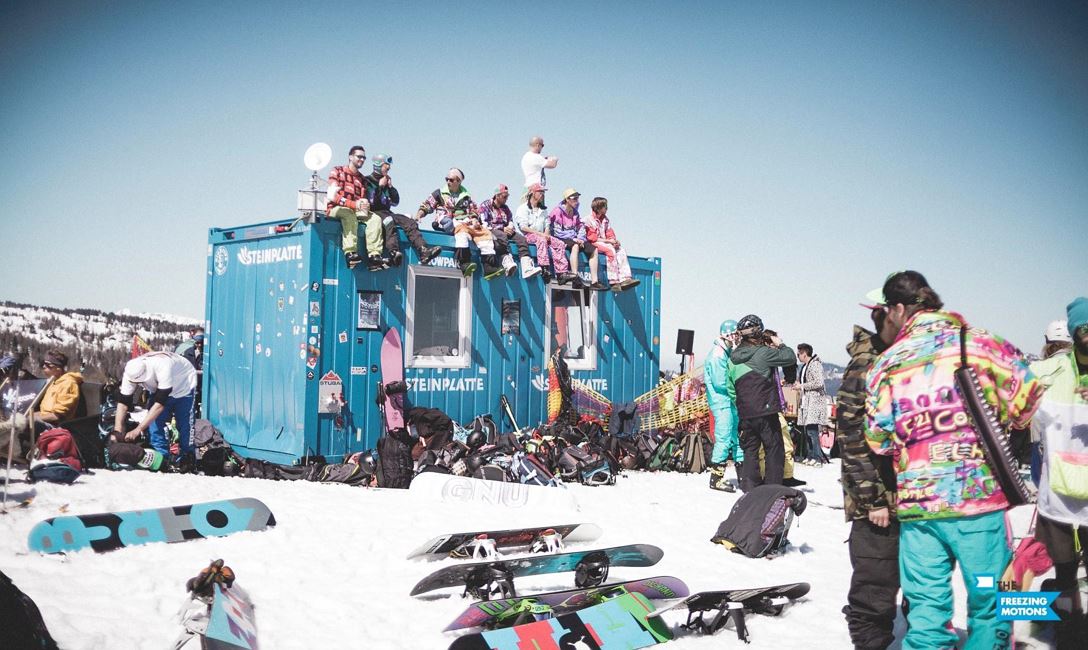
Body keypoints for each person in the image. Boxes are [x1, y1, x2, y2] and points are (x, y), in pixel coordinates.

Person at [865, 270, 1044, 650]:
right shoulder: (982, 344)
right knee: (990, 601)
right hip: (977, 507)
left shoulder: (888, 362)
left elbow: (877, 437)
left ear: (898, 309)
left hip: (920, 511)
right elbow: (1027, 397)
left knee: (927, 610)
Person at [837, 298, 900, 650]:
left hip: (913, 498)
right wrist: (872, 498)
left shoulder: (905, 359)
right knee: (875, 588)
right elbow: (850, 436)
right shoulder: (866, 364)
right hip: (877, 503)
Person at [1029, 297, 1088, 647]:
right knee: (1063, 569)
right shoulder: (1049, 371)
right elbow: (1012, 393)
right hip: (1060, 492)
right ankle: (1066, 628)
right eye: (1084, 329)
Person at [730, 314, 797, 491]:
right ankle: (772, 489)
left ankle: (749, 489)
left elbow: (730, 387)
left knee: (750, 451)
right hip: (765, 411)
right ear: (758, 331)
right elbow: (789, 357)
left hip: (745, 412)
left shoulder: (733, 358)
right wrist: (779, 343)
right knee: (774, 449)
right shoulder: (762, 353)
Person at [113, 351, 199, 469]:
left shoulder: (162, 366)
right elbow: (123, 403)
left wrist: (138, 430)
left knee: (185, 425)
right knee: (155, 425)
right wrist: (118, 431)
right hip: (159, 387)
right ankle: (162, 458)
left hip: (184, 385)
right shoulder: (131, 372)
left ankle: (187, 457)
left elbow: (159, 405)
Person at [416, 168, 498, 277]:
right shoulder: (439, 193)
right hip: (446, 220)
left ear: (458, 181)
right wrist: (419, 215)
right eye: (447, 179)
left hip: (465, 220)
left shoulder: (466, 195)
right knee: (462, 230)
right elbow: (427, 205)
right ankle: (463, 262)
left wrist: (474, 219)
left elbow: (474, 210)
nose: (448, 182)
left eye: (451, 180)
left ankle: (488, 266)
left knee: (484, 233)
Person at [363, 154, 441, 267]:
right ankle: (393, 252)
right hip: (374, 213)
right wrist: (379, 186)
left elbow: (395, 202)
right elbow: (371, 202)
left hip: (386, 211)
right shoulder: (368, 180)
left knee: (409, 221)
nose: (389, 168)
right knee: (388, 220)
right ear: (378, 165)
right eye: (386, 165)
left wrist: (390, 187)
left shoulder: (387, 181)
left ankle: (423, 251)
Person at [326, 146, 388, 269]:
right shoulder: (337, 171)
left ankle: (374, 256)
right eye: (359, 156)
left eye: (364, 157)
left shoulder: (362, 178)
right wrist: (353, 204)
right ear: (350, 157)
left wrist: (365, 204)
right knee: (348, 213)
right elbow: (333, 196)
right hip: (335, 209)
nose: (362, 159)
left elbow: (362, 200)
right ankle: (350, 253)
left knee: (375, 219)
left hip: (355, 210)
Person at [706, 320, 743, 492]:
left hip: (730, 401)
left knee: (736, 436)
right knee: (724, 437)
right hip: (722, 402)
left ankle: (744, 476)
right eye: (735, 334)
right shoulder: (718, 355)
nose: (737, 338)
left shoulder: (726, 352)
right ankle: (716, 479)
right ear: (728, 335)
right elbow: (720, 382)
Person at [478, 184, 540, 279]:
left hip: (506, 230)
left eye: (508, 196)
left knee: (522, 239)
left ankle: (526, 268)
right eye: (504, 196)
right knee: (502, 235)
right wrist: (502, 228)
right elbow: (484, 224)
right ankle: (507, 262)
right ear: (497, 195)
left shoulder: (505, 208)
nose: (506, 198)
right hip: (491, 231)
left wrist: (510, 227)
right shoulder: (485, 205)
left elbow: (510, 220)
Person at [514, 183, 568, 282]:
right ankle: (544, 269)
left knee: (559, 244)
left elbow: (547, 224)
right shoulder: (523, 208)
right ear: (532, 193)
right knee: (541, 240)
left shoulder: (543, 210)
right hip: (529, 236)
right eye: (540, 192)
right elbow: (523, 227)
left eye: (543, 192)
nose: (542, 194)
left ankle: (561, 273)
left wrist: (546, 234)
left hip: (542, 234)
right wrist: (542, 235)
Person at [548, 188, 600, 289]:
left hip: (575, 238)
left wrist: (580, 238)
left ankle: (595, 282)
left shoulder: (575, 212)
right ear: (567, 199)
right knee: (575, 246)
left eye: (578, 198)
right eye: (574, 199)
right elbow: (557, 232)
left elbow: (580, 227)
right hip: (560, 238)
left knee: (594, 249)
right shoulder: (557, 211)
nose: (577, 201)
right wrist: (574, 239)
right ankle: (575, 277)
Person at [584, 197, 639, 292]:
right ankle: (613, 281)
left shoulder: (606, 220)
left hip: (604, 241)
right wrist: (609, 242)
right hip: (593, 242)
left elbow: (610, 233)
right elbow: (592, 238)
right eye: (605, 206)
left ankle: (625, 278)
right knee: (610, 250)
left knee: (621, 250)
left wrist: (614, 241)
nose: (607, 208)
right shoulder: (588, 220)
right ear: (599, 207)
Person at [796, 343, 829, 466]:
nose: (798, 356)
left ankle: (817, 456)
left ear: (804, 353)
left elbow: (819, 382)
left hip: (814, 401)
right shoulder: (805, 366)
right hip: (807, 401)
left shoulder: (815, 364)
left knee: (812, 430)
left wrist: (802, 386)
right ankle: (810, 455)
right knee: (807, 430)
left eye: (798, 354)